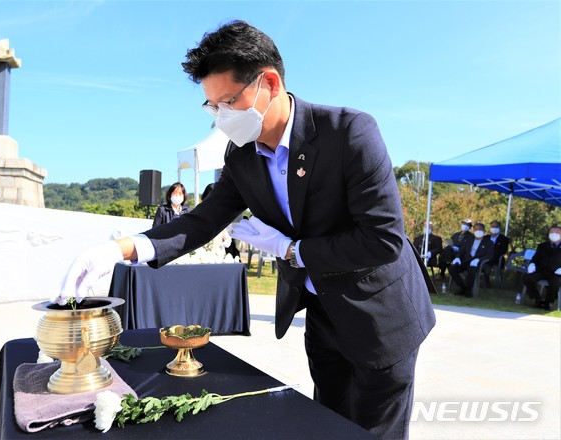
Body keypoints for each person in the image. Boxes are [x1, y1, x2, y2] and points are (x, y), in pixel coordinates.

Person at [55, 20, 435, 440]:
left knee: (372, 432)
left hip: (380, 317)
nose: (220, 118)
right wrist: (119, 249)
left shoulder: (349, 133)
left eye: (228, 102)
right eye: (211, 107)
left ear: (268, 83)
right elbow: (202, 220)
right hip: (324, 317)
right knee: (328, 423)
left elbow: (382, 240)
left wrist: (293, 251)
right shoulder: (241, 155)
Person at [449, 222, 494, 297]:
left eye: (480, 229)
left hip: (479, 263)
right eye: (476, 229)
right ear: (473, 230)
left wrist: (478, 260)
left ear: (483, 230)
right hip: (467, 261)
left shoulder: (488, 242)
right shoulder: (469, 240)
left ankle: (468, 290)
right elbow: (462, 251)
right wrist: (457, 258)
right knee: (452, 268)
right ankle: (462, 287)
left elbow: (489, 255)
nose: (478, 231)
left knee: (471, 269)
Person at [522, 225, 561, 311]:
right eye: (552, 232)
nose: (554, 234)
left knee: (556, 282)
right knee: (527, 278)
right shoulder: (542, 246)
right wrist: (532, 264)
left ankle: (548, 302)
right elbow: (536, 258)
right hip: (541, 271)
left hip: (556, 273)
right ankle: (537, 299)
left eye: (557, 232)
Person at [482, 220, 510, 286]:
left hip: (496, 258)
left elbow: (503, 251)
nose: (494, 228)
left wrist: (490, 254)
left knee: (488, 262)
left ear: (499, 228)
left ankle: (487, 281)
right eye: (493, 226)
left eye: (496, 227)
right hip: (484, 256)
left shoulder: (504, 239)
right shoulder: (485, 238)